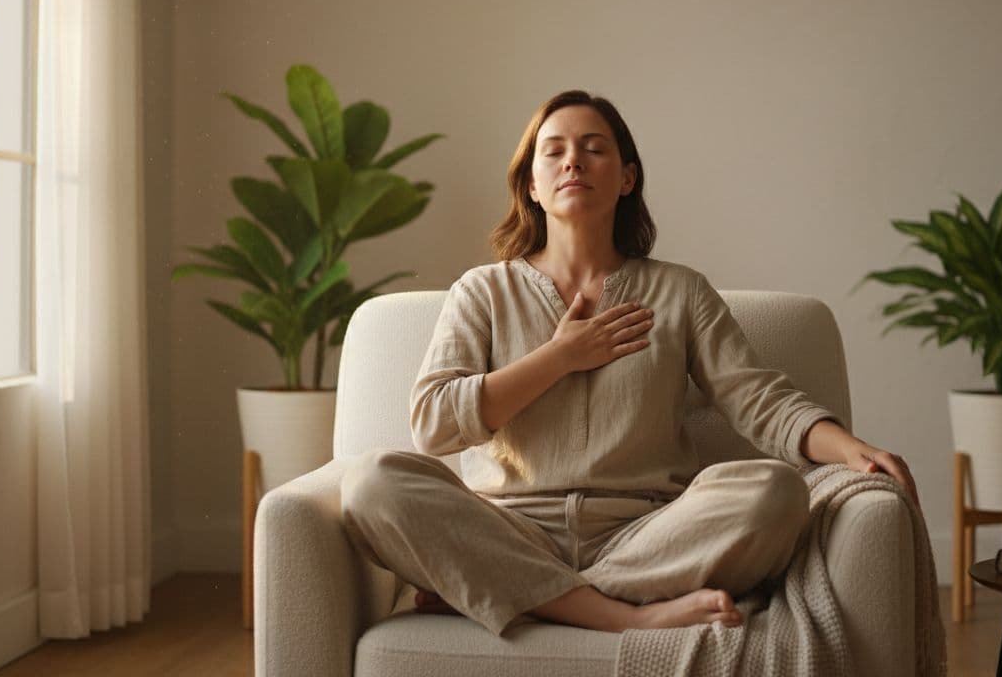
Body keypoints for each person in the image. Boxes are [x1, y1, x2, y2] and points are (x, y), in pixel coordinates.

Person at [339, 89, 918, 637]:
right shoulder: (482, 291)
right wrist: (560, 356)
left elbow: (758, 399)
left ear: (626, 177)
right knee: (372, 484)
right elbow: (434, 424)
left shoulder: (680, 291)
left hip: (645, 535)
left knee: (777, 492)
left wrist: (851, 449)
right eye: (555, 151)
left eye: (594, 149)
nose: (574, 162)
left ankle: (513, 593)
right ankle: (623, 616)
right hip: (509, 528)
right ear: (532, 185)